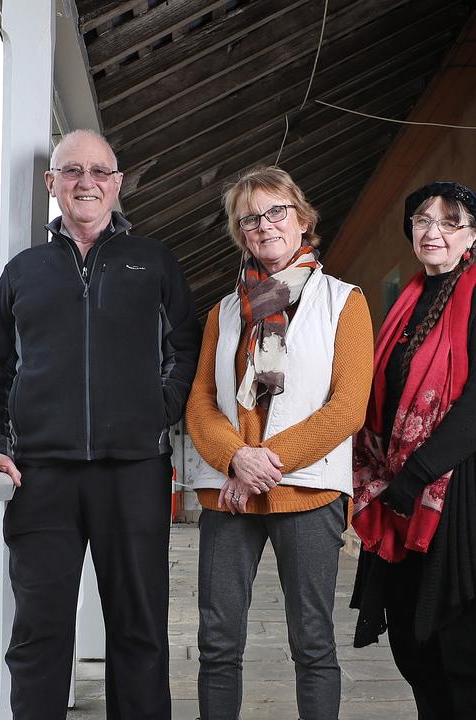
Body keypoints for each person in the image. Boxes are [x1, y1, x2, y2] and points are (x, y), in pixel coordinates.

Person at [0, 128, 199, 720]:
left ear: (116, 184)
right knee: (39, 635)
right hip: (41, 476)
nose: (86, 182)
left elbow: (188, 349)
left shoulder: (153, 262)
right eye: (72, 171)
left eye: (99, 172)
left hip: (135, 473)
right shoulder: (25, 271)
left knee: (139, 630)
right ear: (53, 184)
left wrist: (158, 409)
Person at [184, 166, 374, 720]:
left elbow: (347, 406)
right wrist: (237, 458)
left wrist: (270, 461)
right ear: (240, 233)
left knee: (312, 643)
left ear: (302, 218)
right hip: (229, 494)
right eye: (249, 218)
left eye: (275, 212)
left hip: (309, 493)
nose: (264, 226)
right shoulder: (224, 312)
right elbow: (201, 402)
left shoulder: (345, 302)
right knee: (218, 643)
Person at [350, 181, 476, 719]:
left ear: (471, 237)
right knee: (410, 638)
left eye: (449, 222)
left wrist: (418, 473)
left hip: (461, 490)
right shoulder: (405, 305)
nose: (432, 231)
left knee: (462, 644)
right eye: (422, 220)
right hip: (399, 491)